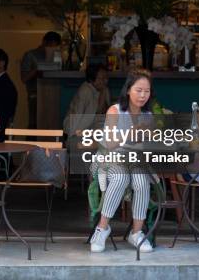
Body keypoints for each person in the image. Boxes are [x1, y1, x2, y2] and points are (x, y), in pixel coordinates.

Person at [89, 68, 154, 253]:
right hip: (108, 160)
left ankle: (136, 233)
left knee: (142, 181)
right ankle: (102, 229)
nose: (143, 95)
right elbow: (109, 143)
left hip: (134, 161)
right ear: (128, 90)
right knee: (120, 178)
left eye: (146, 91)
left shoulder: (147, 116)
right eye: (138, 90)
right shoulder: (115, 111)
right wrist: (129, 133)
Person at [64, 64, 111, 174]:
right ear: (92, 79)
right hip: (77, 133)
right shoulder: (86, 91)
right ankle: (94, 179)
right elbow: (81, 116)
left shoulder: (103, 90)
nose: (105, 81)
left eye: (106, 78)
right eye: (101, 78)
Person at [20, 31, 62, 129]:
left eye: (55, 47)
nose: (51, 49)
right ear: (44, 43)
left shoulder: (57, 56)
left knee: (51, 125)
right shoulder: (30, 55)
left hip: (53, 96)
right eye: (50, 46)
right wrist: (38, 69)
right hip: (35, 95)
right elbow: (24, 78)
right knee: (35, 124)